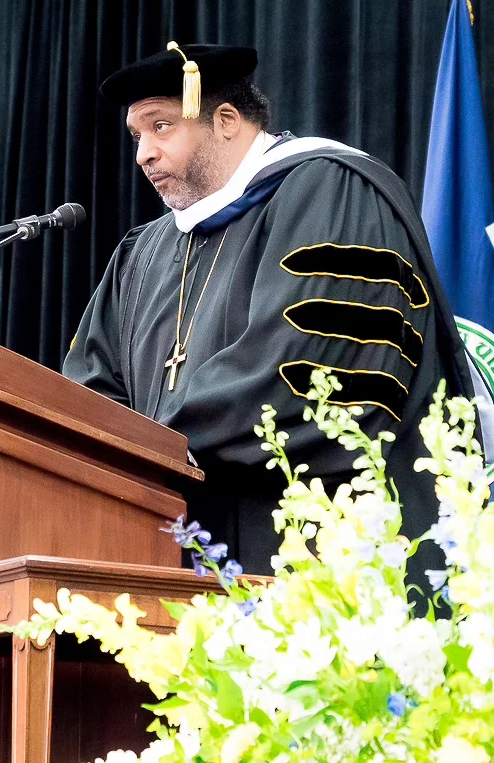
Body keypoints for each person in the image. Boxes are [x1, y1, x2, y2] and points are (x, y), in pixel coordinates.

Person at [63, 42, 473, 576]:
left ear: (227, 120)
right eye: (137, 136)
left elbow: (311, 364)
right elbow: (89, 392)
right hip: (166, 567)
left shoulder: (331, 191)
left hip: (313, 560)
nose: (143, 153)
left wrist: (160, 446)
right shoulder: (142, 255)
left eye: (161, 127)